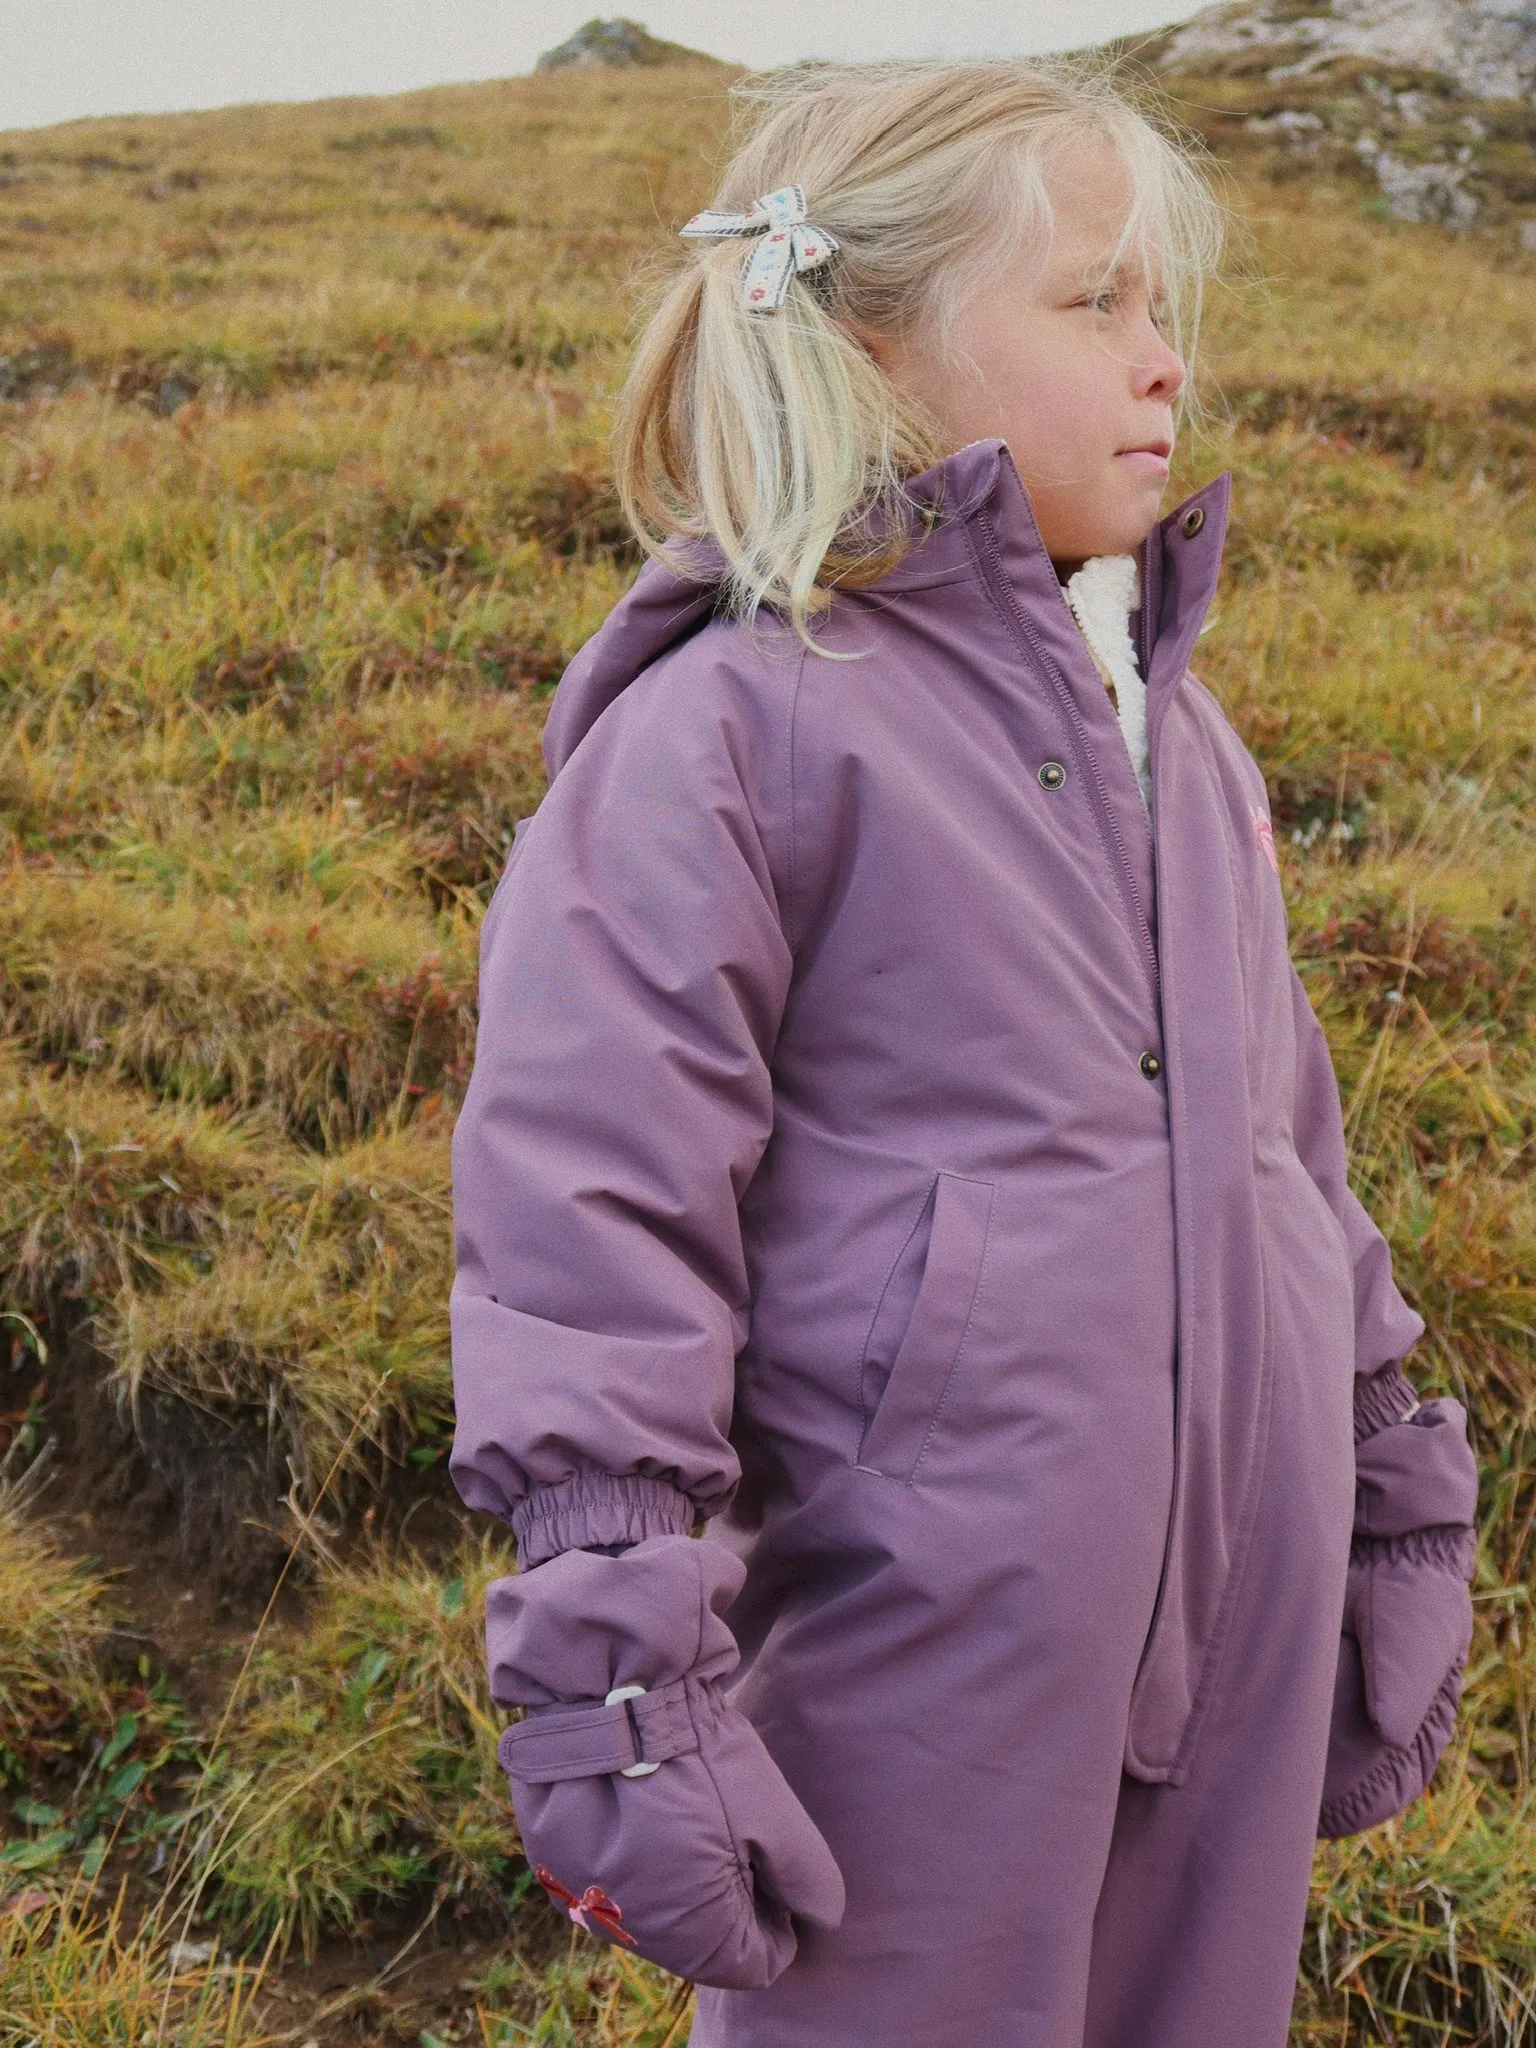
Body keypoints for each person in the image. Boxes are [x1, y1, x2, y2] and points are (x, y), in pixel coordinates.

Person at [448, 58, 1479, 2048]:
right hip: (912, 1661)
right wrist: (617, 1661)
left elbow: (1294, 1154)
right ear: (868, 335)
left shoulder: (1194, 750)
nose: (1165, 363)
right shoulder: (738, 732)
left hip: (1231, 1653)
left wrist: (1387, 1484)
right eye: (1096, 304)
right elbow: (591, 1220)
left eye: (1165, 308)